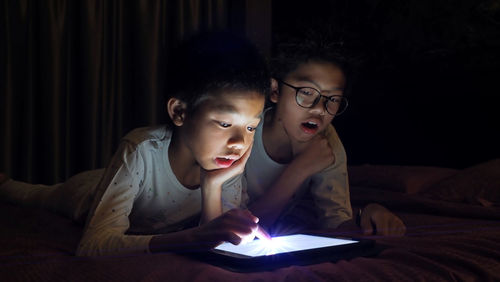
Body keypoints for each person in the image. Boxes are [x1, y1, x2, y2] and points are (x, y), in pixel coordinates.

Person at [0, 31, 271, 256]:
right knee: (35, 195)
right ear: (179, 112)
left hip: (134, 192)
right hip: (90, 191)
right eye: (225, 124)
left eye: (250, 127)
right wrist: (191, 239)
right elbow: (93, 245)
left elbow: (215, 242)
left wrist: (212, 186)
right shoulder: (141, 150)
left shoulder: (229, 162)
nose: (239, 142)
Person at [244, 36, 406, 236]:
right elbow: (235, 229)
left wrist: (367, 217)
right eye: (306, 92)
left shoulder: (326, 140)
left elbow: (336, 221)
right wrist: (300, 168)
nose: (320, 109)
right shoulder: (243, 130)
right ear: (275, 90)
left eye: (333, 99)